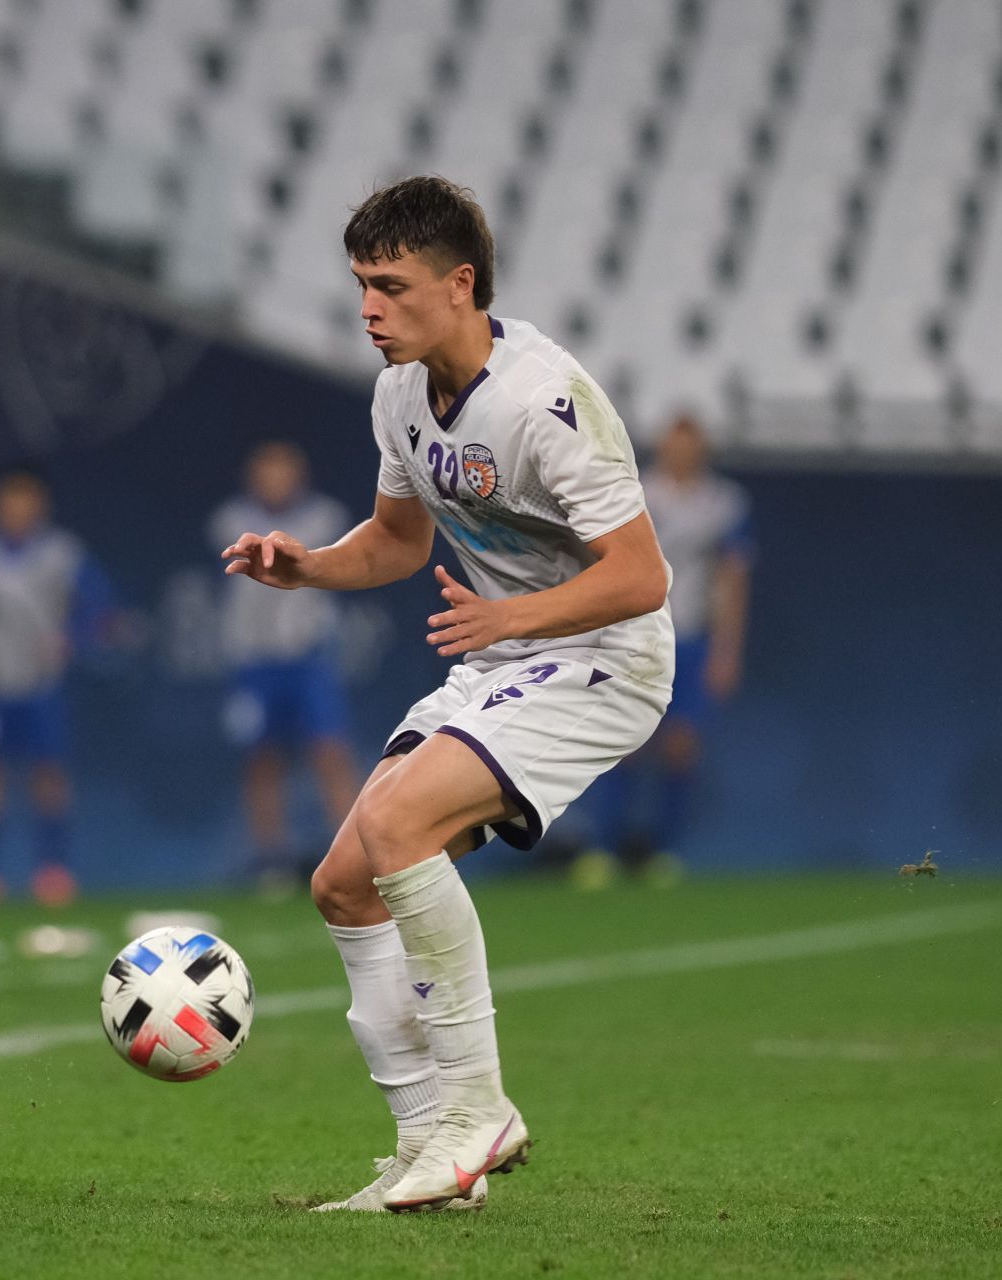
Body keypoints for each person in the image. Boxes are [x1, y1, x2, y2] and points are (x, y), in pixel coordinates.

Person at [223, 177, 672, 1212]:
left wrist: (510, 619)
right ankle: (431, 1145)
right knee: (342, 881)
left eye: (390, 285)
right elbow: (394, 540)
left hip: (607, 655)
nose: (369, 309)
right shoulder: (398, 392)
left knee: (394, 820)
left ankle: (480, 1110)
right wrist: (308, 567)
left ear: (460, 283)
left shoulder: (544, 397)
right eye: (359, 286)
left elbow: (642, 575)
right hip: (507, 660)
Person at [575, 413, 751, 886]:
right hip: (635, 634)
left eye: (690, 445)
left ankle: (665, 853)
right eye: (674, 445)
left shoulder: (724, 503)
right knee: (623, 741)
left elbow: (733, 577)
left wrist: (727, 650)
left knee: (680, 746)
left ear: (702, 450)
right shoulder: (637, 492)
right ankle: (605, 849)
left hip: (692, 637)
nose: (681, 453)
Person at [0, 470, 110, 908]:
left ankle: (53, 869)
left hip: (44, 684)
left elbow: (96, 610)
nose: (18, 510)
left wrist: (74, 635)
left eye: (27, 501)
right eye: (9, 501)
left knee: (49, 776)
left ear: (40, 506)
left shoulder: (62, 554)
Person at [208, 441, 361, 889]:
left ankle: (355, 855)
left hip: (308, 656)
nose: (275, 478)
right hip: (254, 662)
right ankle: (271, 861)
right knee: (262, 758)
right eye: (266, 469)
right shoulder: (229, 520)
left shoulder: (326, 518)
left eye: (283, 469)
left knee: (330, 751)